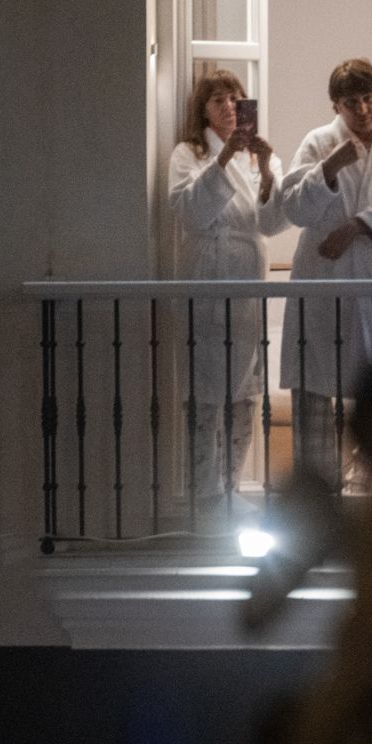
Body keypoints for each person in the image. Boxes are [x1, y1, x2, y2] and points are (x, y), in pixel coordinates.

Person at [279, 58, 372, 485]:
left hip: (371, 272)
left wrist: (358, 225)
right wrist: (330, 168)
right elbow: (293, 208)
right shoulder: (318, 142)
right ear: (335, 106)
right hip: (320, 274)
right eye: (351, 102)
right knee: (316, 380)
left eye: (369, 99)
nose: (362, 110)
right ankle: (318, 484)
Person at [167, 68, 288, 518]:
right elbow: (191, 213)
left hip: (246, 284)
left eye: (235, 98)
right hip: (205, 277)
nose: (228, 107)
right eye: (217, 99)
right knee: (204, 389)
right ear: (203, 108)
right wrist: (222, 161)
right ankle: (205, 496)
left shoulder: (259, 157)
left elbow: (274, 221)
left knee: (245, 389)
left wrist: (268, 170)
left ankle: (231, 488)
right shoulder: (189, 153)